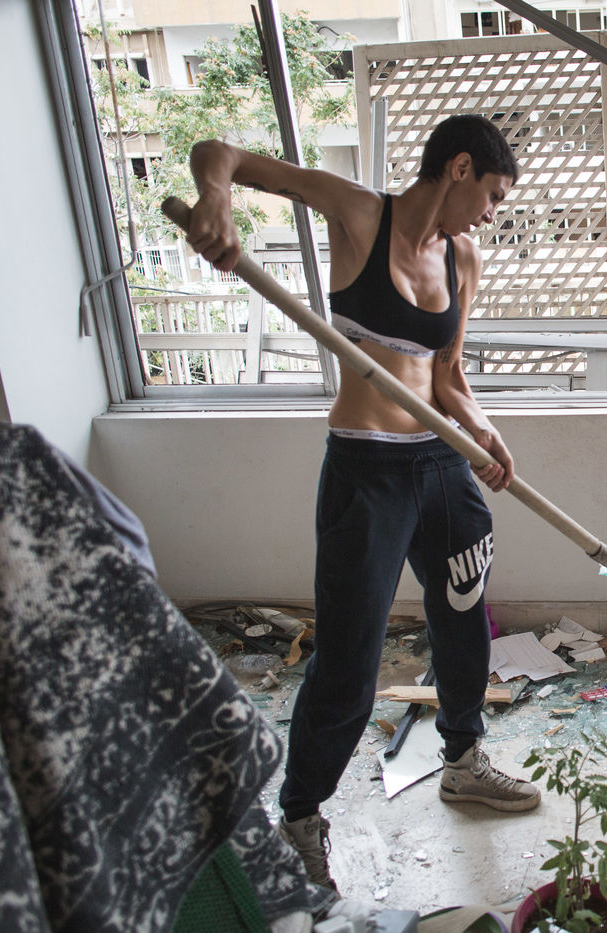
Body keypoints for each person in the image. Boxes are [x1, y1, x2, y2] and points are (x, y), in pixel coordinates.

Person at [187, 114, 540, 892]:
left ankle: (463, 757)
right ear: (458, 168)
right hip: (366, 470)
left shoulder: (464, 256)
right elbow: (220, 154)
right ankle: (301, 814)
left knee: (464, 620)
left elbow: (447, 376)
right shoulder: (358, 215)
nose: (491, 214)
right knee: (349, 662)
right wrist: (216, 203)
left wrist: (483, 430)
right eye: (491, 194)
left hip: (441, 464)